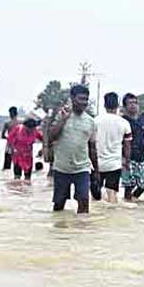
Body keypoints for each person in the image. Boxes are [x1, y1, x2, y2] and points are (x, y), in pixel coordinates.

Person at [49, 85, 97, 214]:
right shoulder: (61, 115)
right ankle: (60, 231)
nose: (84, 102)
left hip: (82, 168)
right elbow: (51, 137)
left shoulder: (91, 122)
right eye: (81, 99)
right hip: (62, 168)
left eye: (86, 99)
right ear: (72, 98)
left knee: (84, 201)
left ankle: (81, 232)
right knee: (59, 204)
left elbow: (92, 147)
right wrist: (63, 120)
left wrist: (96, 172)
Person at [92, 92, 132, 203]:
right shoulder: (124, 123)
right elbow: (127, 146)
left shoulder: (95, 121)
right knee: (112, 193)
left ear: (104, 105)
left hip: (96, 164)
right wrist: (127, 163)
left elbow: (90, 144)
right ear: (118, 105)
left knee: (95, 195)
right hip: (114, 164)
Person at [121, 93, 144, 201]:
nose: (133, 105)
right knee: (129, 186)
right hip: (128, 157)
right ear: (125, 106)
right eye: (130, 103)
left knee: (142, 186)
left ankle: (132, 201)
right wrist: (124, 160)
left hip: (141, 157)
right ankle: (128, 205)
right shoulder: (123, 120)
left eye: (135, 103)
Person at [8, 115, 43, 180]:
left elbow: (43, 139)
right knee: (17, 177)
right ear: (25, 126)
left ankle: (27, 189)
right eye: (29, 128)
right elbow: (9, 139)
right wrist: (12, 150)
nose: (31, 130)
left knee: (28, 178)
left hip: (28, 156)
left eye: (32, 128)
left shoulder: (35, 131)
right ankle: (16, 189)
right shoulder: (18, 129)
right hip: (18, 155)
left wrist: (43, 148)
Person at [2, 106, 20, 170]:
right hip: (19, 145)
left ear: (10, 114)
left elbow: (2, 135)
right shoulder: (21, 123)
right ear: (17, 113)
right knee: (18, 164)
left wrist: (8, 138)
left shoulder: (7, 123)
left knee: (7, 166)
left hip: (9, 145)